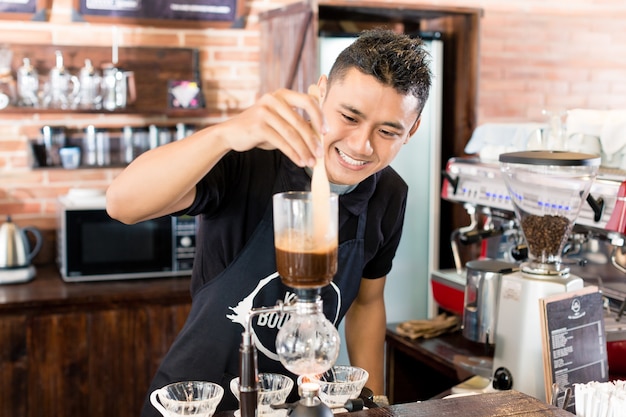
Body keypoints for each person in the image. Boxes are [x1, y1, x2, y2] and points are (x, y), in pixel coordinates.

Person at [106, 28, 432, 416]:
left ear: (411, 130)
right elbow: (122, 205)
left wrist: (373, 403)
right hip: (197, 402)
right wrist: (226, 134)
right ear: (323, 91)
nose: (361, 145)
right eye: (349, 116)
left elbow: (367, 302)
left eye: (387, 131)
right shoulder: (251, 158)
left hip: (303, 406)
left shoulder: (389, 193)